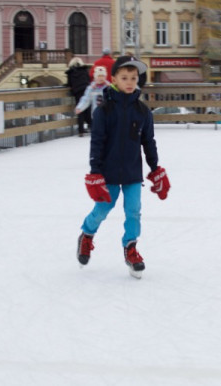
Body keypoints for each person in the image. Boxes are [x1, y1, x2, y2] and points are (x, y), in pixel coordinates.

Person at [76, 56, 170, 279]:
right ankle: (87, 235)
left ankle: (131, 248)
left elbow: (148, 141)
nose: (129, 82)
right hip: (107, 171)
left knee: (134, 210)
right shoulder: (103, 111)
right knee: (103, 209)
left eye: (133, 78)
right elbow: (97, 142)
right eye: (124, 77)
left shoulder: (143, 111)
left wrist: (155, 168)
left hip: (132, 172)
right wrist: (95, 172)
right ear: (114, 79)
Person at [65, 57, 92, 137]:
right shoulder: (84, 70)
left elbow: (69, 83)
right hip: (86, 91)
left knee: (79, 110)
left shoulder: (70, 72)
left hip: (77, 92)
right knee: (87, 109)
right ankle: (94, 127)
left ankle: (81, 131)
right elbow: (88, 80)